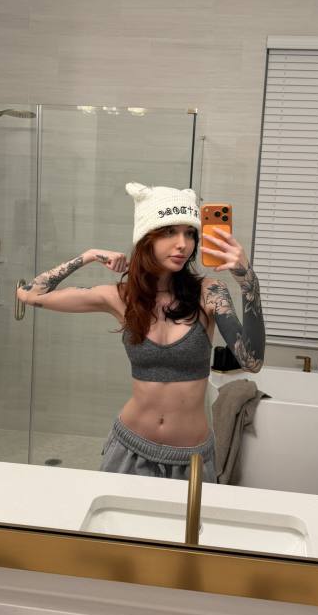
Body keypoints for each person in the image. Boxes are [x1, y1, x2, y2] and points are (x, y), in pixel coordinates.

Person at [16, 182, 265, 482]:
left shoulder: (209, 293)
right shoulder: (120, 297)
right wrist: (89, 255)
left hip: (190, 460)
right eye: (169, 232)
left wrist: (248, 281)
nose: (183, 244)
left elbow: (251, 361)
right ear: (147, 237)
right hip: (128, 449)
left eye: (189, 233)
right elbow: (30, 294)